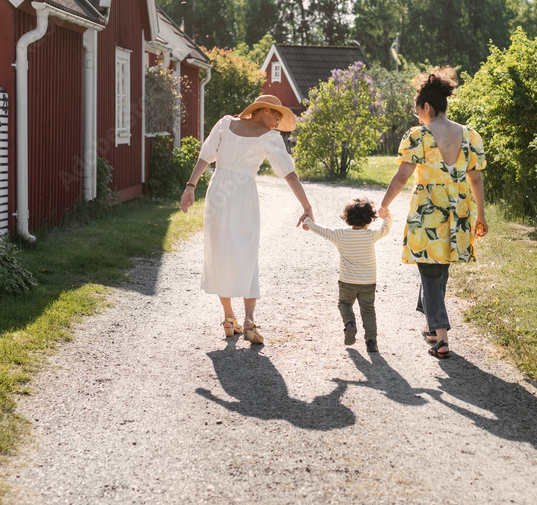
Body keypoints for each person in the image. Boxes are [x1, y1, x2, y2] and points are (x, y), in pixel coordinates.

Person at [181, 95, 313, 344]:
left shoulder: (225, 125)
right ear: (264, 110)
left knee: (220, 252)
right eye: (276, 116)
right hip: (243, 195)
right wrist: (307, 206)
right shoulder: (267, 137)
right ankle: (249, 321)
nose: (277, 123)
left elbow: (206, 155)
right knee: (246, 253)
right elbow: (290, 175)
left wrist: (191, 185)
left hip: (219, 191)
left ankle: (229, 319)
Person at [378, 68, 488, 359]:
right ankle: (429, 324)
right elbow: (476, 178)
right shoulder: (469, 135)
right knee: (438, 269)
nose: (418, 118)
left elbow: (402, 176)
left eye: (418, 112)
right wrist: (481, 215)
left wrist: (384, 204)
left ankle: (442, 338)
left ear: (427, 107)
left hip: (429, 211)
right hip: (459, 210)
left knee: (429, 270)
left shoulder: (419, 136)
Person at [302, 197, 393, 353]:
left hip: (347, 282)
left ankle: (350, 324)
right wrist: (388, 216)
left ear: (347, 217)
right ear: (370, 219)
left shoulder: (340, 234)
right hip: (368, 282)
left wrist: (308, 223)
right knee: (368, 310)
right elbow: (385, 228)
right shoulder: (371, 235)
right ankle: (371, 341)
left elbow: (321, 230)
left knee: (344, 304)